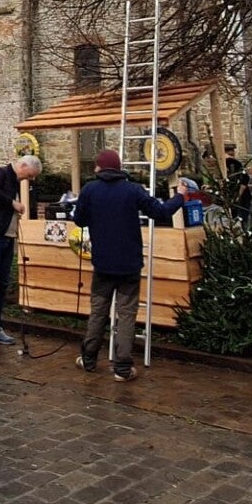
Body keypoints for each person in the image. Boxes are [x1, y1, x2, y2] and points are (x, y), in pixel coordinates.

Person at [72, 148, 185, 382]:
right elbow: (160, 212)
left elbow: (79, 220)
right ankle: (122, 368)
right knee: (126, 314)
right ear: (118, 167)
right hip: (129, 265)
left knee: (98, 312)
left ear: (99, 167)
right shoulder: (133, 190)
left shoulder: (90, 189)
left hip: (102, 264)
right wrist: (180, 196)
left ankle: (89, 359)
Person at [0, 153, 41, 352]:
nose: (30, 179)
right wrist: (12, 203)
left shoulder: (15, 181)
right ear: (23, 166)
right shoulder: (1, 174)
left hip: (7, 235)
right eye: (29, 175)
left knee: (2, 283)